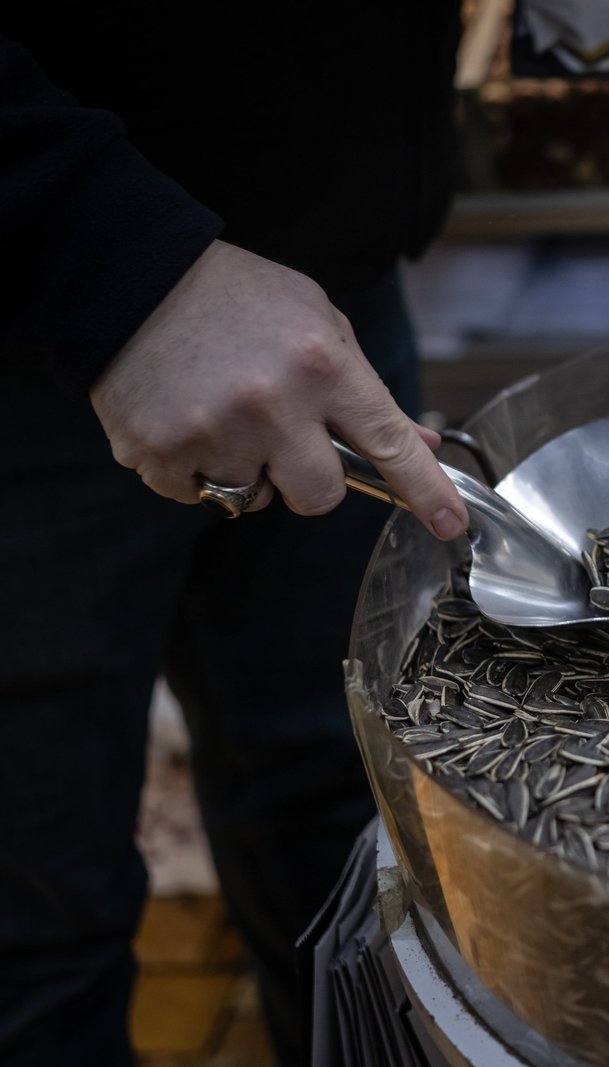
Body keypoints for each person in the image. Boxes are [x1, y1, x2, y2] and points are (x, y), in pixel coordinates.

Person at [0, 4, 467, 1064]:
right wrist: (101, 248)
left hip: (316, 281)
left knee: (346, 826)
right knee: (34, 933)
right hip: (57, 296)